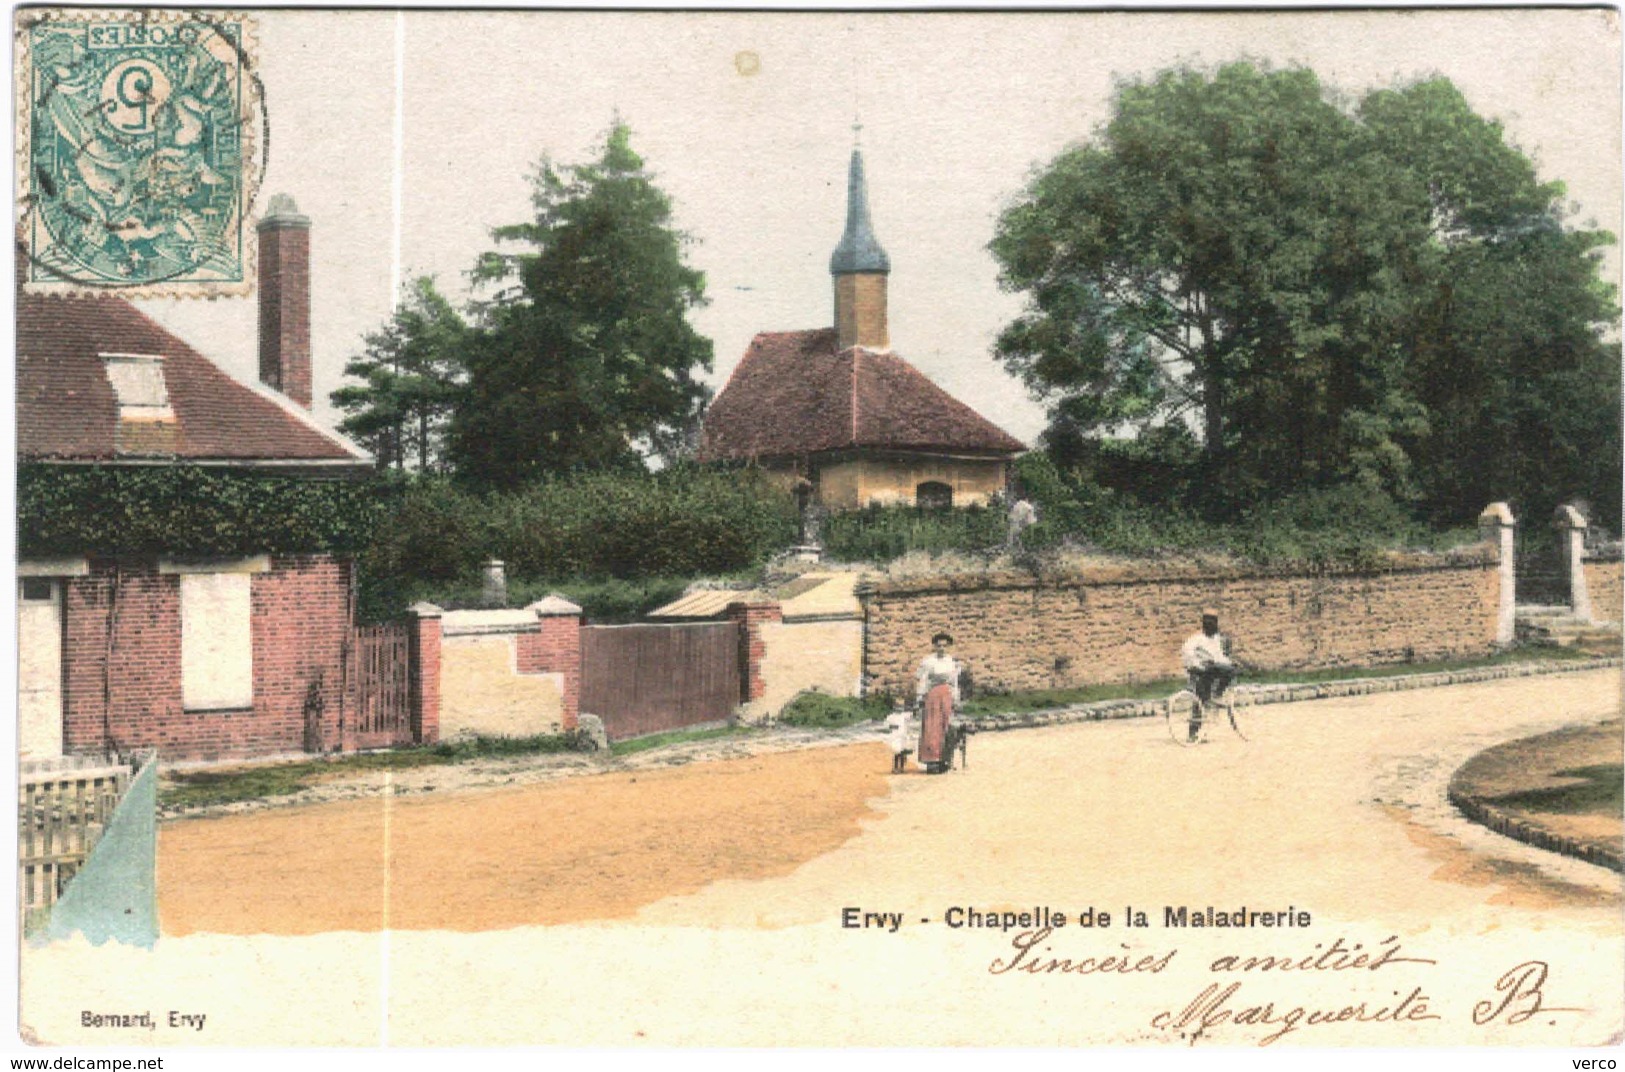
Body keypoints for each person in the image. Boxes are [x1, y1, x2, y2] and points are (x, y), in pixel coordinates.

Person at [1180, 608, 1235, 743]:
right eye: (1207, 621)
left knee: (1202, 700)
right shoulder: (1196, 640)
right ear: (1204, 623)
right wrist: (1197, 665)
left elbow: (1219, 657)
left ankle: (1195, 733)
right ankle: (1217, 694)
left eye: (1213, 621)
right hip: (1200, 670)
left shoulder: (1215, 640)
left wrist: (1229, 663)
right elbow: (1187, 654)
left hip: (1210, 671)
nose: (1210, 624)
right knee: (1200, 700)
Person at [914, 631, 962, 774]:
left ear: (949, 647)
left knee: (945, 726)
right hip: (933, 695)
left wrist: (956, 698)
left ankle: (943, 760)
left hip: (946, 695)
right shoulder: (929, 661)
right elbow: (923, 680)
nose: (942, 648)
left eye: (945, 646)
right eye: (939, 646)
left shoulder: (951, 662)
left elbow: (954, 682)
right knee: (932, 727)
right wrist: (920, 697)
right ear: (934, 646)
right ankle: (931, 762)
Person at [883, 697, 914, 774]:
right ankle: (896, 768)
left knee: (903, 753)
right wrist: (893, 726)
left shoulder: (904, 715)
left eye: (900, 706)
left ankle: (902, 768)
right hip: (895, 737)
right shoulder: (891, 716)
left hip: (903, 737)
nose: (899, 708)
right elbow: (886, 725)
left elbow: (912, 715)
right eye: (897, 706)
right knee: (897, 753)